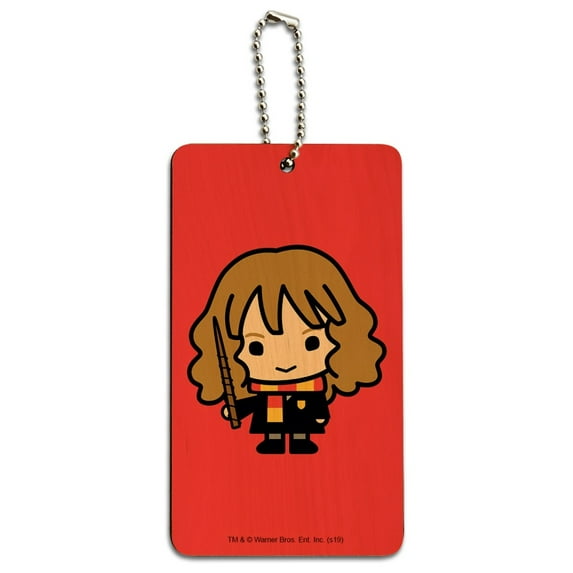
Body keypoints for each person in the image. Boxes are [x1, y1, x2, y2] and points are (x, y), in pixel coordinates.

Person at [188, 245, 385, 454]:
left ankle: (300, 440)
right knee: (271, 428)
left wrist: (320, 415)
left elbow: (317, 404)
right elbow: (254, 403)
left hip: (306, 417)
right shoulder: (263, 390)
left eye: (311, 343)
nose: (285, 362)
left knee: (302, 425)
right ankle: (273, 440)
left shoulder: (312, 388)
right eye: (256, 347)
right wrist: (238, 409)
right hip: (267, 422)